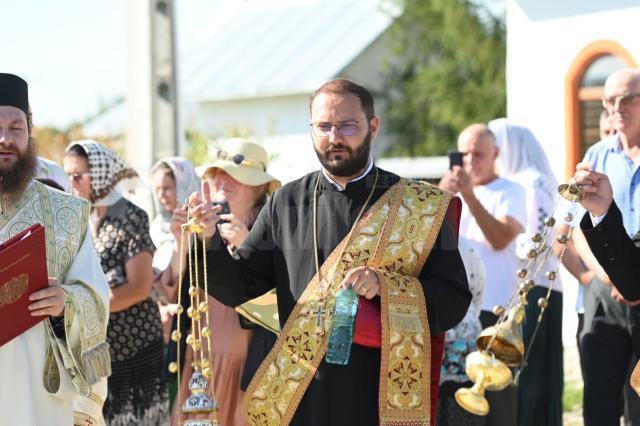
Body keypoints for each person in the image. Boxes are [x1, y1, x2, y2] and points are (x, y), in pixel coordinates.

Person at [185, 78, 471, 425]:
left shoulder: (419, 206)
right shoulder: (286, 202)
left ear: (373, 126)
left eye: (347, 125)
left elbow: (453, 298)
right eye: (323, 126)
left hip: (377, 395)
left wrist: (387, 287)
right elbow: (241, 286)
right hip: (300, 394)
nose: (334, 137)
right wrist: (209, 240)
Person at [0, 73, 110, 425]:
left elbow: (96, 296)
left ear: (30, 130)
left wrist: (66, 302)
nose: (5, 139)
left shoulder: (66, 213)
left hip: (39, 397)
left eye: (16, 128)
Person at [171, 139, 281, 426]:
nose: (222, 180)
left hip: (250, 369)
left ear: (260, 188)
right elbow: (173, 293)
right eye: (217, 173)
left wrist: (247, 245)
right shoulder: (200, 227)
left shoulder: (277, 233)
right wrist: (179, 242)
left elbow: (283, 306)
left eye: (233, 174)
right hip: (201, 365)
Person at [63, 140, 168, 425]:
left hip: (135, 348)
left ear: (99, 173)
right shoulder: (79, 217)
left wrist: (84, 307)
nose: (72, 182)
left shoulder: (131, 216)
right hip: (97, 354)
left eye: (79, 174)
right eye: (68, 174)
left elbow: (139, 287)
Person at [440, 123, 526, 426]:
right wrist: (440, 197)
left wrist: (470, 197)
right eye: (463, 154)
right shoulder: (446, 191)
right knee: (456, 403)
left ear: (496, 154)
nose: (470, 161)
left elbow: (501, 238)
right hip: (456, 314)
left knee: (497, 403)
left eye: (478, 154)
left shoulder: (511, 191)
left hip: (495, 313)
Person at [572, 67, 640, 426]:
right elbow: (577, 229)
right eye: (611, 100)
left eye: (628, 98)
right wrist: (610, 274)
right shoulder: (596, 156)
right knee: (598, 399)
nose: (618, 107)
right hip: (604, 292)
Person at [487, 119, 564, 426]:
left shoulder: (530, 184)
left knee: (530, 372)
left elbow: (535, 241)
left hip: (532, 292)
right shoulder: (520, 182)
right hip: (527, 290)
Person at [149, 157, 199, 344]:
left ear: (183, 185)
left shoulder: (201, 225)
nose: (162, 195)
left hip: (191, 317)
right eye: (158, 190)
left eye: (167, 188)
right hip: (162, 322)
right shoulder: (156, 227)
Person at [437, 237, 485, 426]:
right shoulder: (466, 245)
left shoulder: (462, 245)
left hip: (460, 356)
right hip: (463, 347)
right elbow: (479, 293)